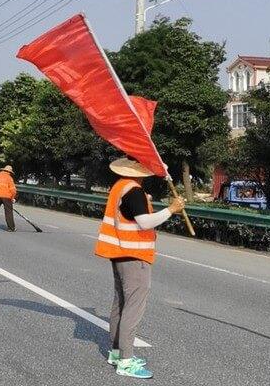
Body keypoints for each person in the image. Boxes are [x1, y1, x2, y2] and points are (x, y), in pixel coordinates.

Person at [94, 157, 185, 379]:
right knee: (133, 308)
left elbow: (129, 213)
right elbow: (144, 223)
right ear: (140, 172)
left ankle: (116, 353)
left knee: (121, 304)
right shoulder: (133, 190)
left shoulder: (120, 186)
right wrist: (171, 209)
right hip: (134, 256)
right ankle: (125, 361)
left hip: (119, 252)